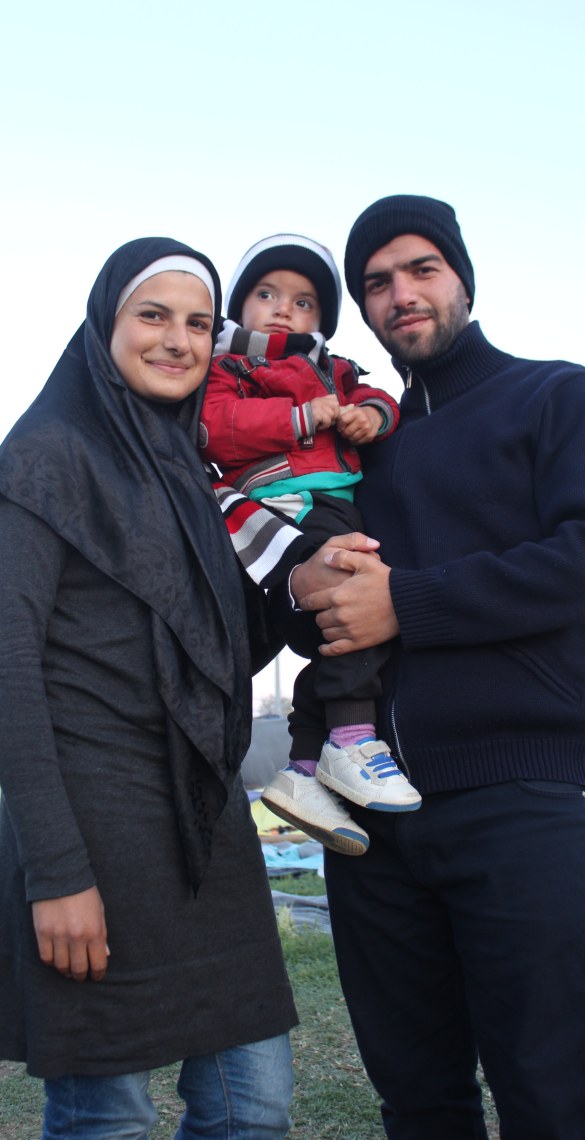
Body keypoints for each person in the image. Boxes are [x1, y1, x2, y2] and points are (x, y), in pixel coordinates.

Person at [287, 195, 585, 1139]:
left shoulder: (555, 394)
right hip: (370, 821)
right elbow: (318, 620)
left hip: (516, 801)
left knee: (554, 1104)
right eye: (375, 283)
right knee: (421, 1106)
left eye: (421, 269)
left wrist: (409, 600)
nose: (400, 294)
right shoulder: (360, 450)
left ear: (462, 278)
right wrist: (299, 590)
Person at [0, 237, 298, 1139]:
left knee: (252, 1107)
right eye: (153, 316)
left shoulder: (189, 472)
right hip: (90, 830)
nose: (178, 340)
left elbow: (202, 653)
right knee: (108, 1115)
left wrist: (304, 589)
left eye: (198, 322)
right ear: (105, 323)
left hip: (204, 825)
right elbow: (2, 667)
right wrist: (57, 874)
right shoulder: (45, 458)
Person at [201, 233, 420, 858]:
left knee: (341, 622)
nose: (282, 310)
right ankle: (351, 736)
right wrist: (301, 419)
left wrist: (371, 417)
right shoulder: (230, 365)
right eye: (266, 295)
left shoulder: (334, 367)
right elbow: (218, 428)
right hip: (278, 503)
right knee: (353, 596)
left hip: (335, 501)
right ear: (238, 306)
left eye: (303, 303)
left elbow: (376, 396)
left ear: (321, 318)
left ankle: (302, 770)